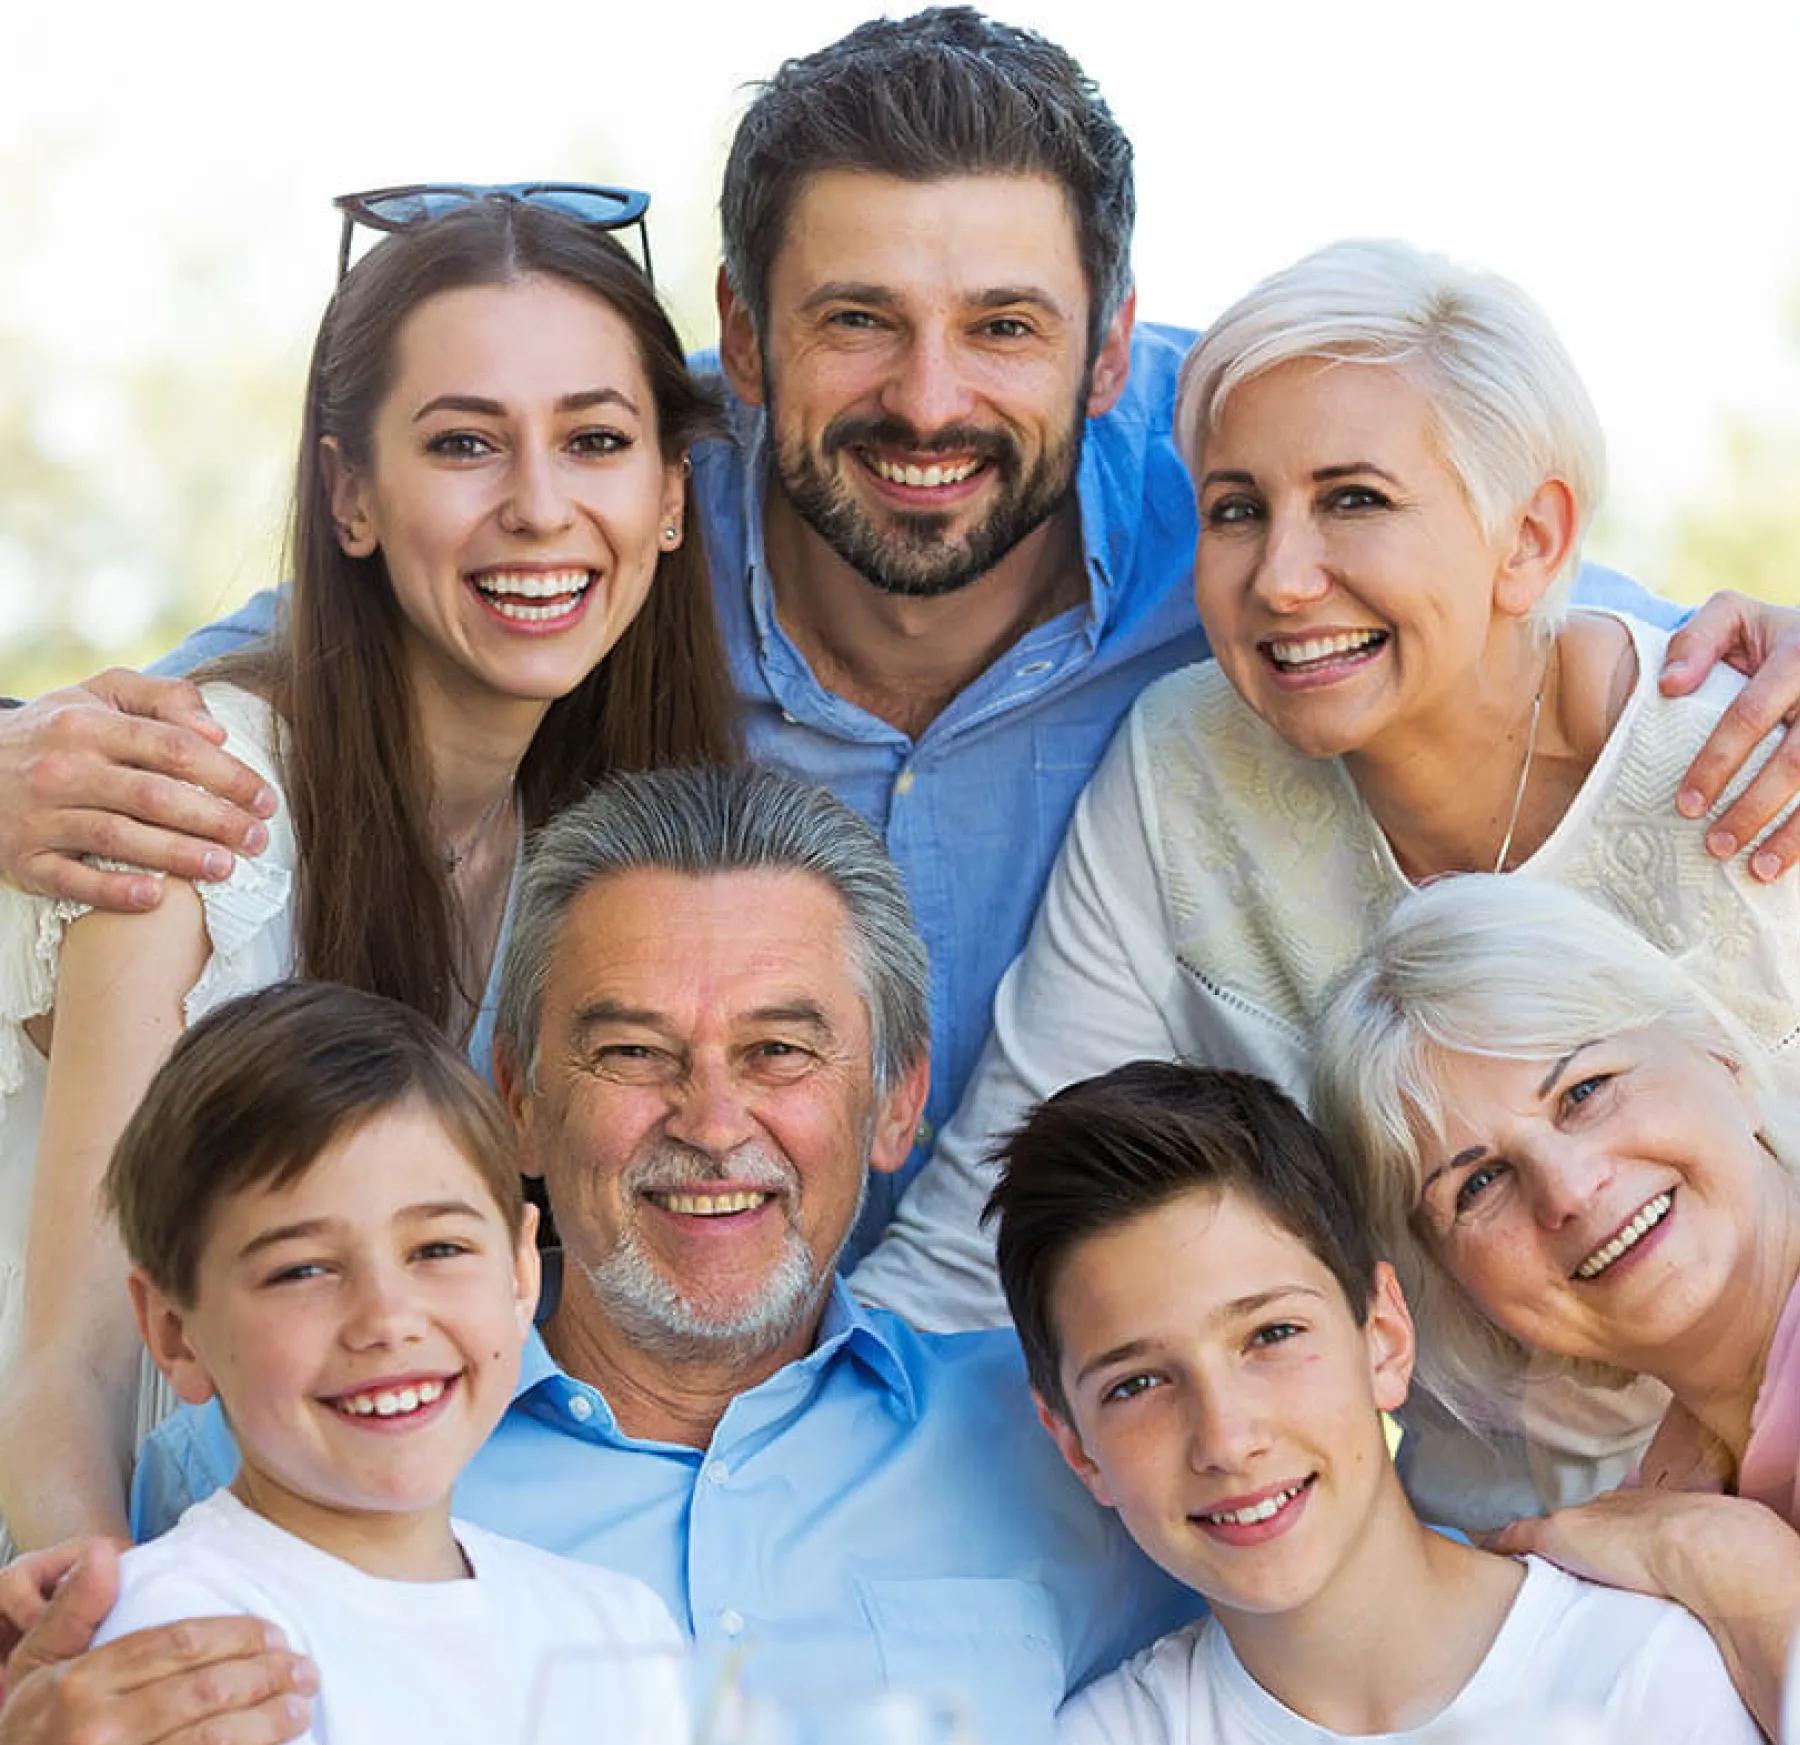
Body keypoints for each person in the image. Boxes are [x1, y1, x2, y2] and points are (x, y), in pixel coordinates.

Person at [6, 12, 1800, 1259]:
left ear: (1110, 354)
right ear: (744, 337)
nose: (930, 399)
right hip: (614, 1334)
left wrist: (1764, 659)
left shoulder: (1238, 501)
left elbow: (1512, 581)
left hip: (1066, 1381)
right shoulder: (620, 504)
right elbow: (324, 632)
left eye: (1005, 326)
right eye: (858, 320)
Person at [0, 763, 1198, 1745]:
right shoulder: (274, 1459)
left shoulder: (1072, 1443)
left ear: (895, 1100)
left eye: (779, 1051)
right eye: (632, 1052)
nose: (713, 1122)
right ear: (516, 1099)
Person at [856, 235, 1800, 1530]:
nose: (1282, 578)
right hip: (1492, 1572)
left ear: (1529, 540)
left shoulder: (1753, 759)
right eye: (1237, 509)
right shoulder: (1189, 771)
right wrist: (756, 1444)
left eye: (1354, 499)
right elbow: (993, 1226)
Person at [0, 192, 739, 1553]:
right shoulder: (208, 800)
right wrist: (101, 1652)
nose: (538, 505)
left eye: (595, 440)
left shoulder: (577, 854)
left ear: (674, 498)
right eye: (464, 443)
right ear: (349, 496)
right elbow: (76, 1371)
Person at [981, 1058, 1774, 1745]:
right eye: (1139, 1384)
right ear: (1077, 1446)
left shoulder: (1634, 1674)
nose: (1226, 1440)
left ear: (1384, 1340)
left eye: (1272, 1336)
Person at [92, 979, 686, 1745]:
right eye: (302, 1269)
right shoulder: (187, 1641)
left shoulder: (617, 1625)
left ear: (520, 1273)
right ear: (174, 1333)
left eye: (438, 1249)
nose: (386, 1319)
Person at [1312, 870, 1800, 1740]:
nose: (1567, 1190)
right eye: (1479, 1184)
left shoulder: (1671, 1538)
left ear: (1724, 1056)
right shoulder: (1643, 1512)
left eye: (1585, 1089)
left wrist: (1738, 1571)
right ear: (1457, 1288)